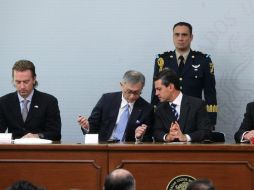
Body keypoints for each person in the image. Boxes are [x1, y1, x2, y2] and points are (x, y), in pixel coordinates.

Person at [151, 22, 217, 127]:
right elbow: (156, 90)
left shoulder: (204, 60)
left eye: (184, 35)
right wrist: (153, 117)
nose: (180, 38)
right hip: (166, 116)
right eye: (177, 35)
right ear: (173, 37)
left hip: (193, 116)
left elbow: (210, 93)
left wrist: (210, 121)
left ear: (191, 37)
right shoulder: (162, 60)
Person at [78, 70, 153, 142]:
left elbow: (148, 139)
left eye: (136, 93)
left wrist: (139, 137)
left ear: (141, 89)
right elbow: (93, 126)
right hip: (104, 148)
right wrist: (87, 126)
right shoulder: (106, 100)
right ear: (121, 85)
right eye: (129, 91)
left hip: (129, 151)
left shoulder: (147, 108)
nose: (132, 96)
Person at [0, 60, 61, 140]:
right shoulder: (4, 102)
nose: (22, 86)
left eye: (26, 82)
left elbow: (55, 133)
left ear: (34, 79)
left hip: (40, 150)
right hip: (14, 150)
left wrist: (37, 136)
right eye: (18, 82)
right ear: (13, 80)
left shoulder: (49, 101)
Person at [153, 69, 212, 142]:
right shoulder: (160, 108)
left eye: (159, 89)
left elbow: (206, 131)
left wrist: (185, 137)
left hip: (192, 151)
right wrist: (167, 137)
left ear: (171, 87)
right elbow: (156, 132)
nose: (156, 93)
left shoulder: (197, 105)